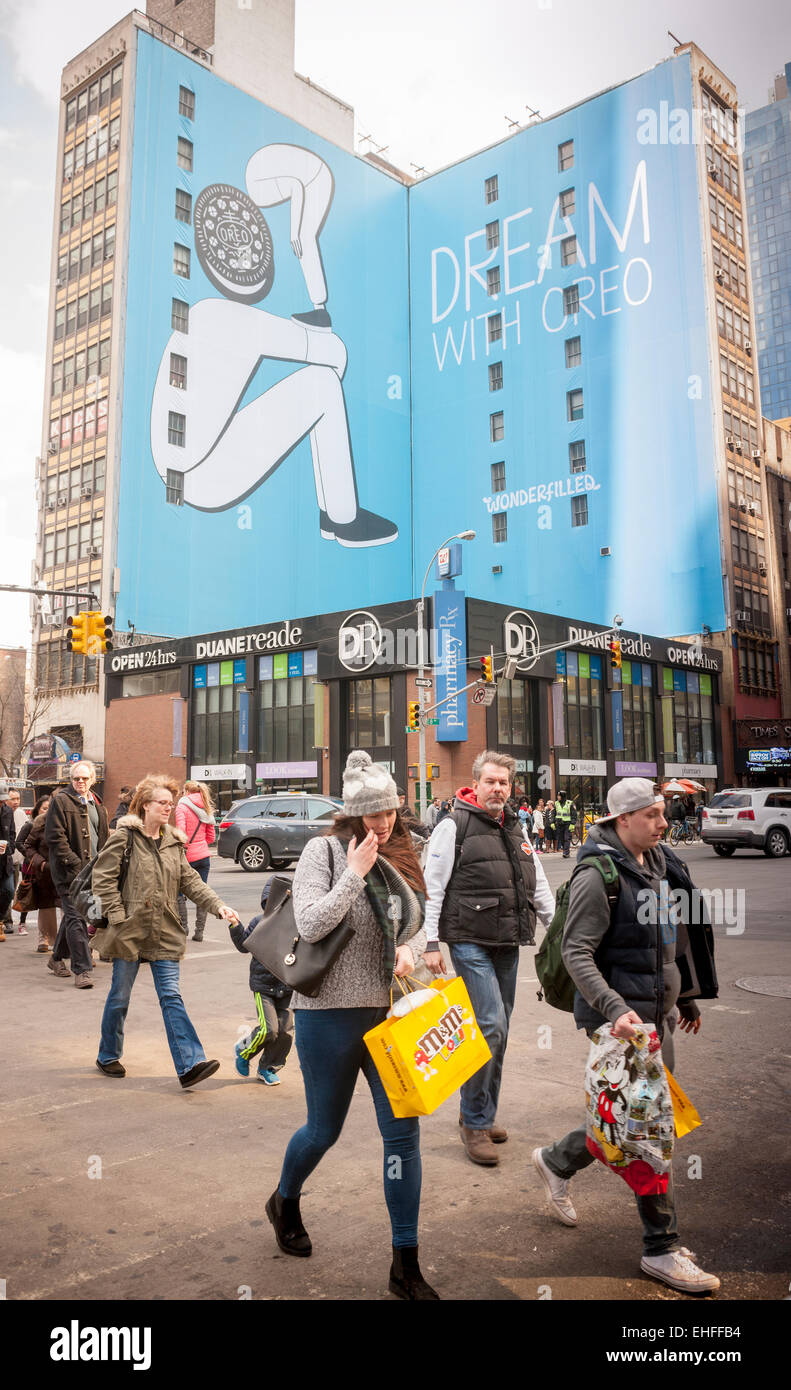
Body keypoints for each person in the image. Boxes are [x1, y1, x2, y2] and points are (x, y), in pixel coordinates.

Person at [532, 778, 720, 1294]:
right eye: (654, 815)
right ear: (624, 820)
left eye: (663, 814)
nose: (664, 823)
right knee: (649, 1134)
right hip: (622, 1026)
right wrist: (615, 1010)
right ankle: (661, 1247)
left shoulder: (656, 864)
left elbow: (665, 944)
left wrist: (683, 997)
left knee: (630, 1124)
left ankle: (556, 1159)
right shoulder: (599, 875)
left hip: (654, 1019)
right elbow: (577, 953)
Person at [268, 750, 437, 1300]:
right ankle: (285, 1200)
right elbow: (312, 923)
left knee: (403, 1136)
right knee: (324, 1130)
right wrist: (355, 873)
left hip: (390, 1015)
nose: (384, 825)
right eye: (372, 815)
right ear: (351, 814)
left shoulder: (402, 851)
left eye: (389, 813)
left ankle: (405, 1264)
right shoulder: (324, 850)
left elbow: (415, 921)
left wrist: (410, 950)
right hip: (328, 1016)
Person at [422, 751, 555, 1167]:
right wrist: (430, 942)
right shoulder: (454, 825)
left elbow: (538, 884)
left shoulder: (515, 826)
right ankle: (474, 1123)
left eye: (504, 783)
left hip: (507, 941)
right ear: (476, 783)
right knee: (491, 1024)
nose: (498, 789)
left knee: (499, 1028)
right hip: (468, 939)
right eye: (491, 781)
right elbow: (433, 885)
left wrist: (560, 927)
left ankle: (479, 1112)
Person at [91, 775, 240, 1086]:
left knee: (171, 995)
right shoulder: (124, 838)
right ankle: (108, 1054)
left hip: (164, 931)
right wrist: (118, 917)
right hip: (128, 931)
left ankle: (189, 1065)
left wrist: (218, 906)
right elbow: (102, 879)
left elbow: (191, 882)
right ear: (145, 805)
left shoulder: (174, 842)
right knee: (120, 996)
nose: (168, 808)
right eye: (162, 803)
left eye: (171, 804)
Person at [45, 761, 109, 987]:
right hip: (69, 874)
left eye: (84, 778)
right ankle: (82, 970)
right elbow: (54, 838)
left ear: (92, 780)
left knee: (79, 918)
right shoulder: (61, 801)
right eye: (76, 778)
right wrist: (73, 863)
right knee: (76, 919)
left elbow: (103, 840)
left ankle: (55, 959)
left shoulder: (98, 804)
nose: (80, 782)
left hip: (92, 873)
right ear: (71, 780)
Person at [229, 883, 294, 1086]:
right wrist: (235, 925)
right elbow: (243, 945)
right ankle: (244, 1051)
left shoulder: (297, 925)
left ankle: (267, 1067)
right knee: (269, 1029)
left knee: (284, 1032)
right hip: (263, 986)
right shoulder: (259, 922)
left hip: (287, 987)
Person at [174, 781, 216, 941]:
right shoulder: (206, 808)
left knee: (178, 893)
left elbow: (181, 832)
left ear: (186, 791)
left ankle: (183, 928)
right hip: (204, 857)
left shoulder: (182, 807)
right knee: (202, 892)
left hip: (187, 857)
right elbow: (211, 837)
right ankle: (199, 932)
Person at [17, 796, 57, 953]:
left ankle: (57, 940)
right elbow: (21, 843)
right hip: (35, 868)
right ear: (38, 809)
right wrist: (33, 859)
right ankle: (43, 938)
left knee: (57, 904)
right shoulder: (31, 825)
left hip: (53, 869)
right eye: (44, 808)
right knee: (41, 902)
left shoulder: (57, 824)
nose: (47, 811)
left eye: (49, 808)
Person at [3, 789, 29, 933]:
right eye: (13, 799)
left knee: (11, 891)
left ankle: (8, 919)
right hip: (3, 861)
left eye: (18, 798)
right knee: (6, 890)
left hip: (16, 861)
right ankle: (6, 920)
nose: (16, 802)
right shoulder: (4, 814)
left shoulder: (21, 814)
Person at [0, 788, 17, 943]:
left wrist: (9, 848)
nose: (2, 803)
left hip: (5, 860)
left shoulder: (7, 811)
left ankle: (0, 919)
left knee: (9, 891)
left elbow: (12, 833)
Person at [554, 790, 576, 858]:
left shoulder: (570, 803)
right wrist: (552, 822)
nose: (558, 797)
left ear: (562, 796)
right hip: (559, 823)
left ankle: (566, 852)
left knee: (566, 838)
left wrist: (572, 824)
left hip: (567, 823)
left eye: (559, 795)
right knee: (561, 838)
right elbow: (554, 813)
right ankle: (565, 850)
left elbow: (574, 814)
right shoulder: (556, 803)